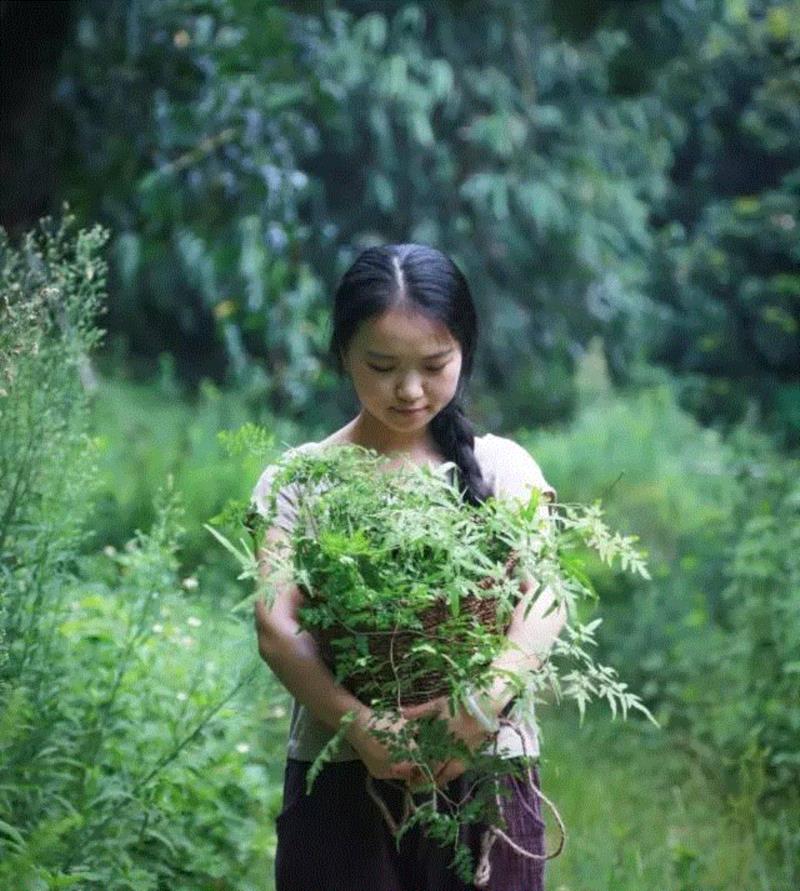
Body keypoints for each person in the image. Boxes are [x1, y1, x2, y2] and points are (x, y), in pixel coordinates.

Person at [251, 243, 567, 890]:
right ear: (343, 353)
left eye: (434, 364)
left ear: (465, 353)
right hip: (339, 772)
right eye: (382, 364)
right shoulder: (301, 479)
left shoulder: (505, 468)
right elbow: (276, 625)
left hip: (486, 771)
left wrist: (479, 702)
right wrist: (361, 725)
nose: (410, 389)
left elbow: (545, 600)